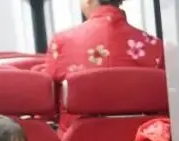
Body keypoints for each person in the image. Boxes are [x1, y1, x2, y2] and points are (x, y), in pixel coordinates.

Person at [43, 0, 165, 130]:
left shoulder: (62, 42)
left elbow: (47, 105)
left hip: (79, 138)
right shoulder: (155, 46)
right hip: (140, 137)